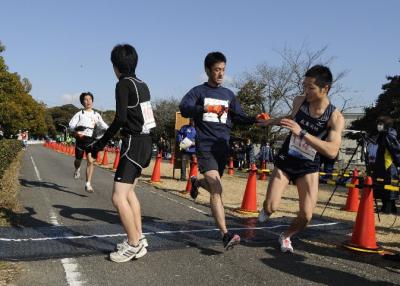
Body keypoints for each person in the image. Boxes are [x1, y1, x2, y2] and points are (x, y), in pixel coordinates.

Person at [179, 51, 267, 250]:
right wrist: (205, 109)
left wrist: (256, 118)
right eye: (217, 70)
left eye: (223, 70)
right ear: (208, 70)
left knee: (215, 186)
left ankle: (196, 182)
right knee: (217, 190)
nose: (221, 74)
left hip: (222, 148)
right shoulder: (198, 92)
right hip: (206, 147)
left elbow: (239, 117)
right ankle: (225, 235)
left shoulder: (228, 95)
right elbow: (184, 108)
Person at [257, 65, 344, 253]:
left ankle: (286, 236)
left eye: (311, 87)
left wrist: (302, 133)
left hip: (308, 166)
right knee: (271, 206)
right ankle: (266, 210)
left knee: (306, 215)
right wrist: (270, 121)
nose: (306, 91)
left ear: (325, 88)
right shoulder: (299, 101)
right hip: (287, 160)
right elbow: (291, 117)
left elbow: (331, 151)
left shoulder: (335, 117)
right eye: (304, 86)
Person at [92, 44, 155, 262]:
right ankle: (139, 238)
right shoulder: (142, 84)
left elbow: (120, 118)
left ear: (115, 66)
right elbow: (147, 117)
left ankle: (133, 244)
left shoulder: (123, 85)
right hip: (146, 142)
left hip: (133, 143)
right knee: (129, 194)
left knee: (118, 197)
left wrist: (100, 144)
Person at [69, 92, 109, 193]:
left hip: (91, 141)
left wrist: (107, 130)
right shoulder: (79, 114)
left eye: (90, 99)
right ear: (82, 102)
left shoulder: (96, 114)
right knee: (78, 160)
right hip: (81, 140)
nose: (88, 101)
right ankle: (77, 169)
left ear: (92, 101)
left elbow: (104, 126)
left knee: (91, 161)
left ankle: (88, 184)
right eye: (85, 99)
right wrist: (77, 131)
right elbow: (71, 125)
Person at [369, 116, 400, 214]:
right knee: (383, 186)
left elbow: (396, 150)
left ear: (386, 125)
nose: (379, 126)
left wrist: (398, 163)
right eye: (378, 124)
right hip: (382, 164)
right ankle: (386, 207)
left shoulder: (388, 135)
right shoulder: (382, 135)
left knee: (388, 187)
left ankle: (389, 209)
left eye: (381, 124)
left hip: (388, 165)